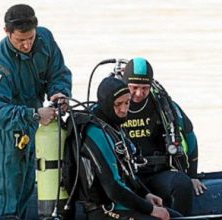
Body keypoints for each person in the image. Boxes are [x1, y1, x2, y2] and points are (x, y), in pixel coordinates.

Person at [0, 4, 72, 218]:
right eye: (20, 40)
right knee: (7, 202)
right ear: (7, 32)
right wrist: (33, 115)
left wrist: (59, 93)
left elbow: (58, 72)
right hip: (7, 135)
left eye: (30, 38)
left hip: (35, 129)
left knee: (26, 192)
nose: (26, 45)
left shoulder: (45, 39)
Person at [75, 77, 177, 220]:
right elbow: (112, 188)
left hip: (122, 205)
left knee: (175, 216)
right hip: (104, 210)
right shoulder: (95, 132)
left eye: (127, 102)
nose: (124, 109)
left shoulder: (113, 125)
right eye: (118, 104)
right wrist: (150, 209)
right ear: (106, 104)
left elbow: (127, 170)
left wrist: (145, 195)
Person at [121, 57, 205, 215]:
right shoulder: (113, 104)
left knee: (182, 184)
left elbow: (189, 136)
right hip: (127, 177)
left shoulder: (162, 105)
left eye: (145, 88)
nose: (139, 93)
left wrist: (192, 175)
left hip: (156, 174)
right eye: (134, 87)